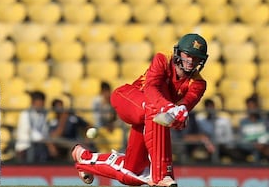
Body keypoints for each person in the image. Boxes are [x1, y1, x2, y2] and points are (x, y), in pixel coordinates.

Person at [71, 33, 209, 187]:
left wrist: (180, 116)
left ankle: (84, 158)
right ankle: (161, 174)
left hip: (148, 118)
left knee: (131, 173)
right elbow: (151, 88)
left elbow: (184, 106)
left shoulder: (198, 83)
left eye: (196, 58)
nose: (190, 61)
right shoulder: (163, 59)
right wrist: (169, 108)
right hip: (127, 98)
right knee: (157, 110)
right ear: (178, 52)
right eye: (188, 55)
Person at [15, 90, 57, 162]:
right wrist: (48, 144)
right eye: (39, 103)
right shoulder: (25, 114)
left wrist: (49, 141)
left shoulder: (42, 114)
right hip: (25, 147)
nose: (41, 105)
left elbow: (44, 131)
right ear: (33, 102)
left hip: (39, 146)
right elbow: (31, 132)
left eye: (42, 103)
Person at [237, 96, 269, 162]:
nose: (251, 109)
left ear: (257, 107)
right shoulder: (243, 122)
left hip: (264, 147)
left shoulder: (264, 121)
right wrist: (253, 145)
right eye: (249, 107)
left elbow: (267, 134)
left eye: (253, 107)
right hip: (248, 149)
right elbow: (240, 140)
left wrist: (262, 144)